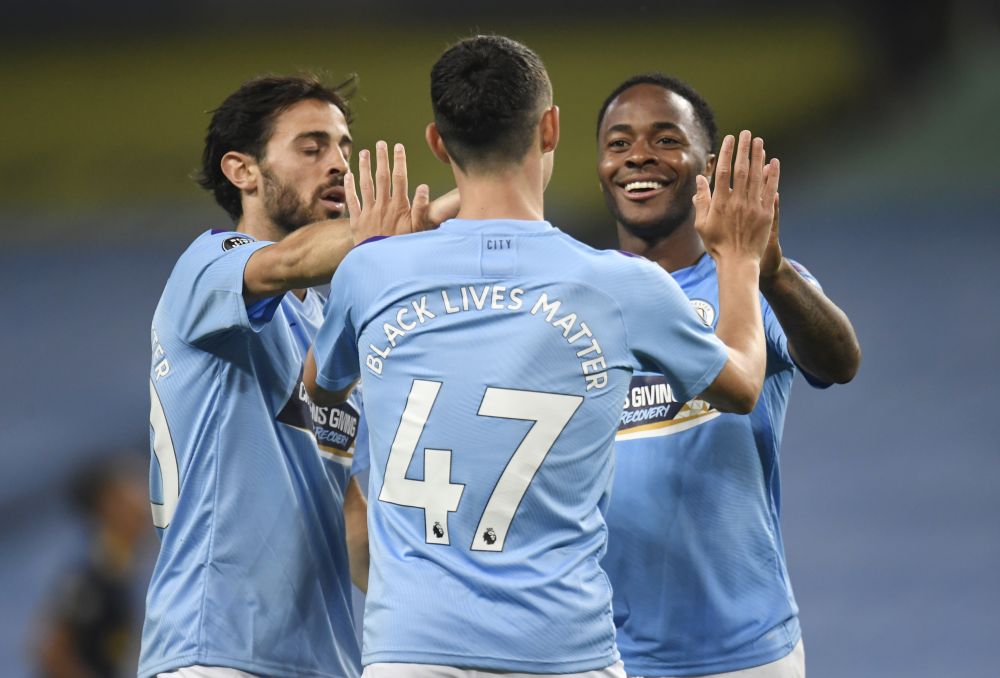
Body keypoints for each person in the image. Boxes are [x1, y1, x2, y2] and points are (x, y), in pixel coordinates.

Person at [304, 36, 780, 678]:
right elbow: (744, 383)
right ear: (550, 128)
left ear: (438, 143)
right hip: (560, 649)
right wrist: (743, 258)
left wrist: (389, 259)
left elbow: (321, 385)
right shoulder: (617, 285)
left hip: (412, 650)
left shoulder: (373, 272)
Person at [141, 74, 454, 678]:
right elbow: (286, 260)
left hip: (328, 660)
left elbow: (352, 525)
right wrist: (379, 240)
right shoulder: (208, 267)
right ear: (243, 171)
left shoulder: (341, 325)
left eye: (342, 145)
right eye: (312, 148)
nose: (337, 163)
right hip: (216, 649)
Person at [595, 73, 862, 678]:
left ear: (705, 166)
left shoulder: (749, 288)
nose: (638, 155)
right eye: (618, 143)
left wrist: (770, 273)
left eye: (665, 139)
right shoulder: (578, 295)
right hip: (601, 655)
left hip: (746, 654)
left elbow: (840, 362)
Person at [35, 453, 153, 678]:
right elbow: (51, 652)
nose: (142, 502)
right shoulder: (90, 577)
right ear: (110, 506)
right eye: (129, 493)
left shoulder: (129, 571)